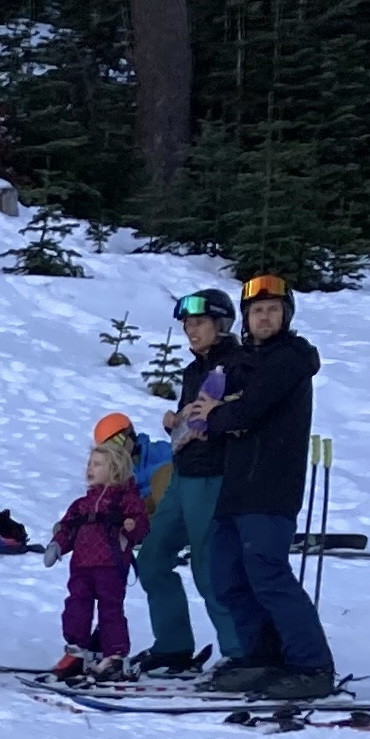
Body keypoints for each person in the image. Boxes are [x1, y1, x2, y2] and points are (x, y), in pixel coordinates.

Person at [189, 275, 335, 705]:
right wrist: (215, 413)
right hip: (237, 486)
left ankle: (313, 665)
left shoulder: (289, 359)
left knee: (269, 577)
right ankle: (261, 656)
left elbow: (245, 412)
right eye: (257, 310)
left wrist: (219, 414)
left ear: (285, 316)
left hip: (271, 487)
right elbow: (216, 410)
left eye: (272, 309)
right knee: (227, 576)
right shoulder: (244, 361)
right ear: (247, 319)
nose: (264, 316)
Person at [135, 288, 250, 673]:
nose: (190, 330)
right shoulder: (193, 369)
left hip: (214, 478)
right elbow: (193, 422)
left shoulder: (240, 364)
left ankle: (240, 653)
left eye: (198, 322)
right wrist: (176, 422)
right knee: (151, 558)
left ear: (221, 325)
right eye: (187, 324)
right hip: (183, 475)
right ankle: (172, 646)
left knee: (209, 567)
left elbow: (242, 419)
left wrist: (208, 421)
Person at [46, 435, 150, 680]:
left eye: (97, 464)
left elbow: (142, 526)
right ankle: (76, 651)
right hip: (81, 566)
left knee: (110, 610)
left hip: (111, 565)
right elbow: (67, 528)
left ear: (114, 470)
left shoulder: (125, 500)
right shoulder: (81, 504)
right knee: (76, 606)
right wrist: (57, 545)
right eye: (89, 463)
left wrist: (131, 526)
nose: (89, 469)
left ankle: (114, 656)